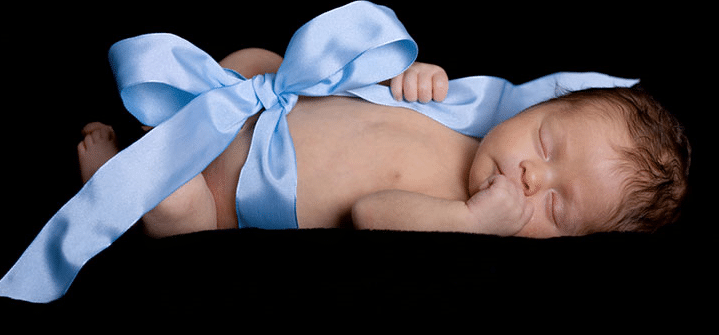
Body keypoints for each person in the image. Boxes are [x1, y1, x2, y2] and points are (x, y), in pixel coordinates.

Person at [78, 49, 690, 239]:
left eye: (557, 209)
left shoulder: (452, 212)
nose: (533, 177)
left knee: (172, 206)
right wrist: (413, 75)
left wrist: (473, 221)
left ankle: (114, 175)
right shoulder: (462, 114)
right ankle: (183, 116)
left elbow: (371, 212)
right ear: (533, 107)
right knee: (255, 57)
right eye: (546, 144)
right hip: (260, 110)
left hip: (223, 197)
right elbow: (365, 92)